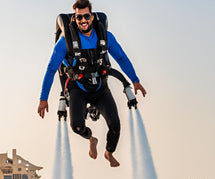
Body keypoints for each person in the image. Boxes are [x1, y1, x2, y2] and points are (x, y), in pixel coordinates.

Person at [37, 0, 146, 167]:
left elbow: (122, 58)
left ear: (92, 17)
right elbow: (51, 68)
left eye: (86, 16)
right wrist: (43, 98)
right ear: (74, 19)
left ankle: (109, 153)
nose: (83, 20)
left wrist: (135, 80)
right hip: (78, 88)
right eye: (79, 17)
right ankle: (91, 138)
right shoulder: (65, 41)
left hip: (100, 88)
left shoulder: (105, 37)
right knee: (77, 127)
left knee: (115, 126)